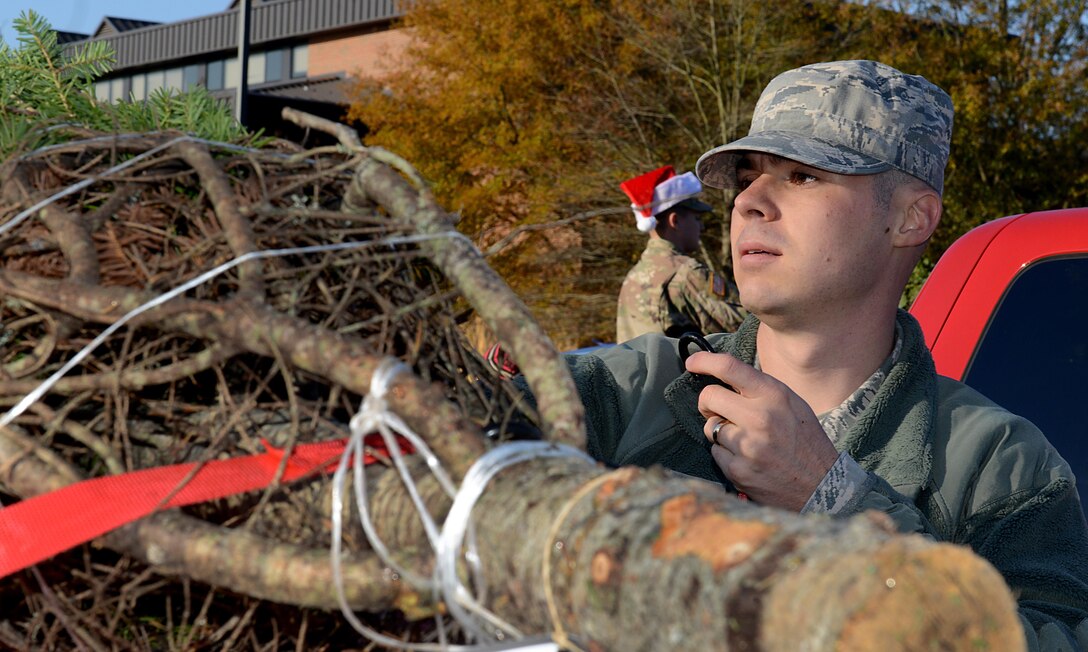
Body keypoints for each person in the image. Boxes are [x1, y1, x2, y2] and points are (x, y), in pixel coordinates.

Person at [525, 60, 1088, 649]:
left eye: (801, 176)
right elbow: (452, 425)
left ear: (910, 218)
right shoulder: (632, 391)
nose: (749, 203)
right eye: (748, 177)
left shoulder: (1001, 466)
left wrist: (835, 502)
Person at [615, 166, 745, 341]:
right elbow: (747, 327)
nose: (702, 227)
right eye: (696, 219)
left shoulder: (634, 276)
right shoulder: (686, 273)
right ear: (674, 220)